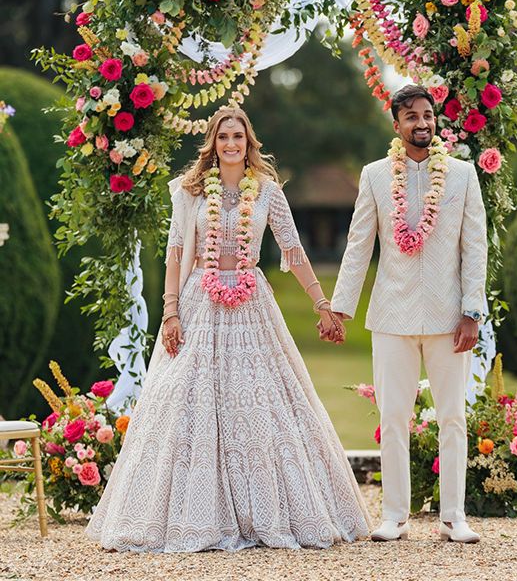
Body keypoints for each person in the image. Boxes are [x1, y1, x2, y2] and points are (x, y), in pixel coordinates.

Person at [87, 106, 370, 552]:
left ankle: (268, 512)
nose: (231, 144)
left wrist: (321, 302)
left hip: (252, 304)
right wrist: (171, 311)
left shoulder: (269, 192)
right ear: (213, 144)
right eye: (223, 137)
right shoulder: (191, 191)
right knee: (186, 399)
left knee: (257, 401)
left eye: (238, 136)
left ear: (248, 141)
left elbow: (293, 250)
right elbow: (176, 252)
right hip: (199, 301)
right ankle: (189, 515)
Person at [329, 84, 487, 543]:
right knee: (394, 417)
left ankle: (453, 516)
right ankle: (394, 516)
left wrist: (472, 311)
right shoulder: (375, 176)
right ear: (396, 124)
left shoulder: (462, 175)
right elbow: (358, 246)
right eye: (412, 116)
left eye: (428, 115)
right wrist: (340, 308)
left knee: (452, 417)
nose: (422, 123)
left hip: (449, 316)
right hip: (391, 314)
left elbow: (475, 248)